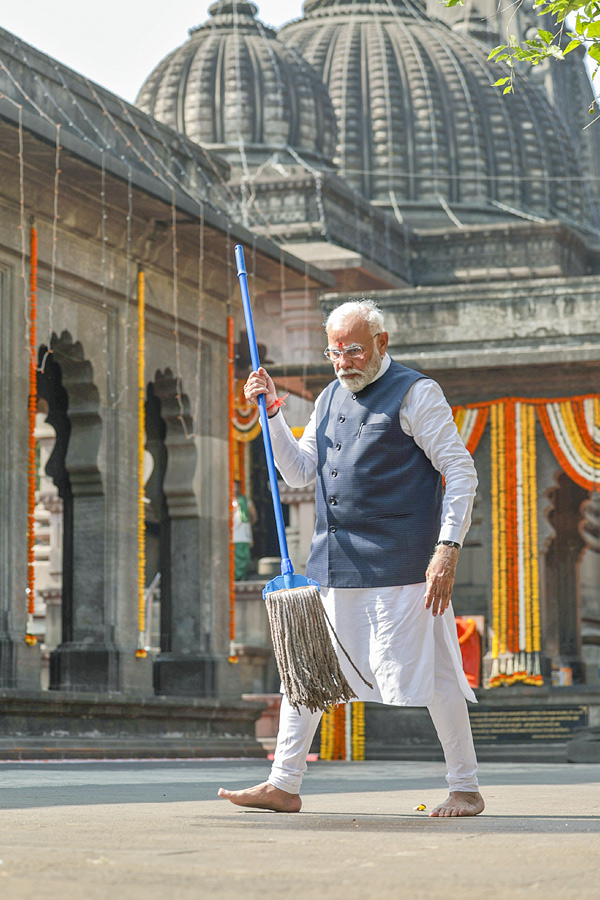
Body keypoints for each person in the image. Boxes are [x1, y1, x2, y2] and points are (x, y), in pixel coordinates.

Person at [219, 299, 485, 818]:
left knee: (436, 676)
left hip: (406, 565)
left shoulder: (416, 393)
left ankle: (466, 786)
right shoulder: (327, 398)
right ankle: (284, 783)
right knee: (305, 669)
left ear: (382, 344)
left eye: (354, 350)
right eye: (334, 352)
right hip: (334, 562)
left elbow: (461, 471)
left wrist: (447, 549)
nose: (344, 361)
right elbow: (297, 472)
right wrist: (273, 414)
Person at [232, 479, 257, 581]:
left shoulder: (246, 501)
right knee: (234, 557)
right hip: (232, 533)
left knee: (244, 556)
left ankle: (242, 576)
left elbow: (254, 516)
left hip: (243, 532)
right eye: (233, 486)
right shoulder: (227, 502)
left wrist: (247, 525)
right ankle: (234, 577)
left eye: (236, 486)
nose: (234, 489)